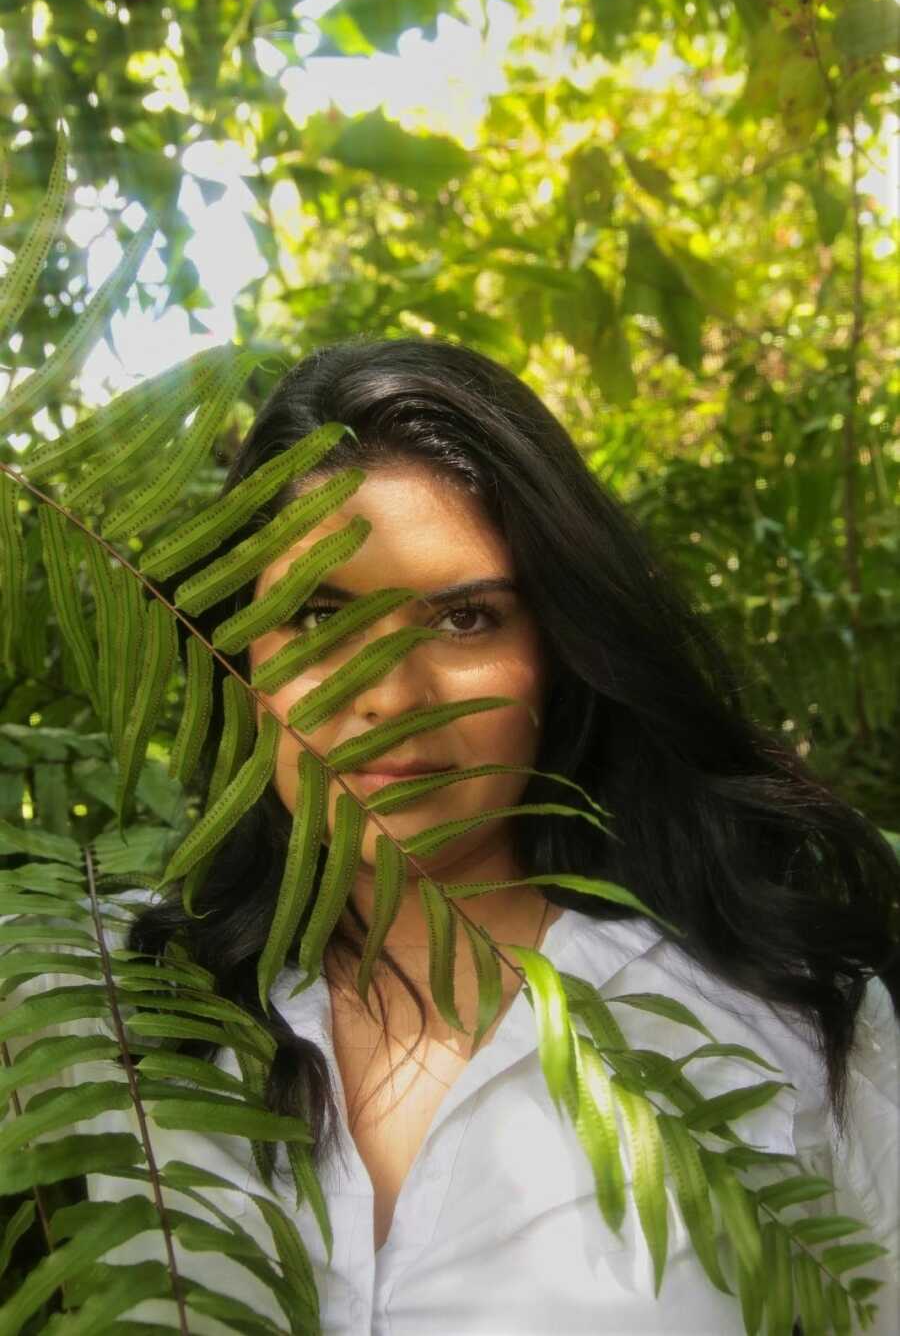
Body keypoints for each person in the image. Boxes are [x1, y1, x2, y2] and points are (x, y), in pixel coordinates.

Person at [109, 336, 898, 1331]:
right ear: (239, 656)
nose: (389, 697)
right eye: (317, 617)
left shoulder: (784, 1024)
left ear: (560, 652)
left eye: (465, 620)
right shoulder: (109, 1017)